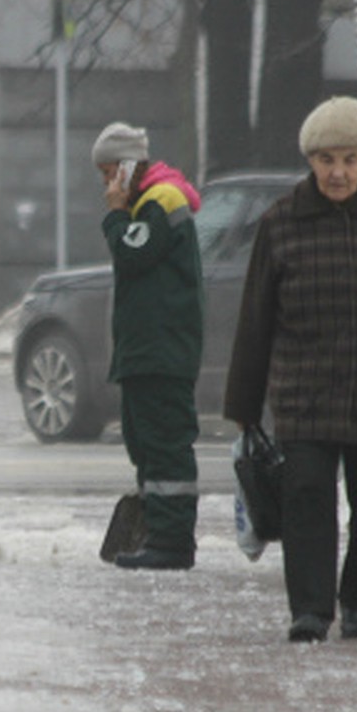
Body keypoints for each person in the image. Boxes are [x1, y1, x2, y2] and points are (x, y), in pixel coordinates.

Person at [225, 96, 357, 642]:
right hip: (304, 393)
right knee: (308, 500)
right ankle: (310, 610)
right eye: (327, 159)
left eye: (351, 159)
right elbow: (256, 318)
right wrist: (243, 408)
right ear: (311, 161)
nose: (339, 172)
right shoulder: (281, 223)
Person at [92, 121, 203, 571]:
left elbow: (134, 251)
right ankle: (158, 531)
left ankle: (173, 541)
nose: (105, 184)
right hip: (145, 351)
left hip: (163, 350)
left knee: (164, 444)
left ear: (127, 167)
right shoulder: (147, 203)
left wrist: (116, 212)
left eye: (108, 173)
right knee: (144, 441)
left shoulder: (161, 201)